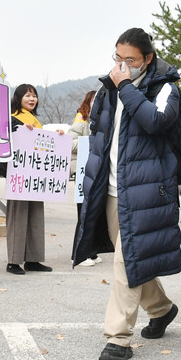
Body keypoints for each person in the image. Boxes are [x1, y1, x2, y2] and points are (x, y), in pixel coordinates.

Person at [73, 28, 181, 360]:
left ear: (147, 59)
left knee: (124, 262)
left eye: (130, 60)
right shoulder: (107, 92)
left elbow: (156, 121)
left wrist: (124, 87)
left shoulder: (165, 88)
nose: (122, 65)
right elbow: (100, 136)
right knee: (133, 257)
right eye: (117, 58)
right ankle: (162, 309)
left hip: (146, 192)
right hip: (110, 191)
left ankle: (118, 338)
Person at [5, 84, 53, 274]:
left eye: (34, 96)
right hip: (19, 174)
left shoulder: (35, 120)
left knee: (35, 216)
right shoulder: (11, 119)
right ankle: (13, 261)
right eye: (27, 95)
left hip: (35, 175)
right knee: (18, 215)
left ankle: (33, 259)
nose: (32, 99)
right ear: (18, 98)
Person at [69, 91, 102, 267]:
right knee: (83, 212)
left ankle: (91, 251)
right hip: (83, 172)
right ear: (88, 102)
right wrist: (88, 143)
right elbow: (69, 142)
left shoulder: (100, 122)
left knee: (94, 212)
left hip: (96, 171)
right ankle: (78, 253)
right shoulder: (81, 120)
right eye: (94, 100)